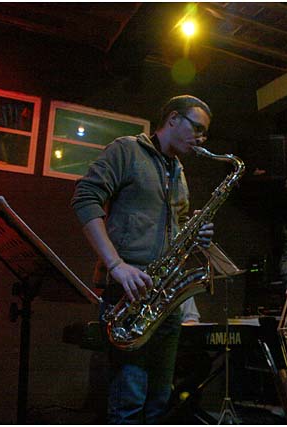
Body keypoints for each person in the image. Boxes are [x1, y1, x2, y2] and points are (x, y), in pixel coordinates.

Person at [71, 95, 215, 424]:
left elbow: (174, 228)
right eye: (197, 129)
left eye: (204, 133)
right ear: (173, 119)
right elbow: (85, 198)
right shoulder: (127, 150)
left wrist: (193, 236)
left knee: (158, 403)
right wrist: (116, 265)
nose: (201, 139)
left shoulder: (178, 171)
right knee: (129, 403)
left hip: (165, 299)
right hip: (129, 294)